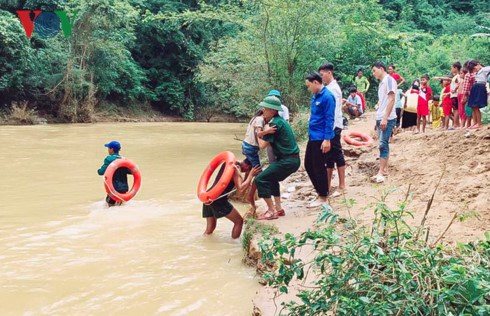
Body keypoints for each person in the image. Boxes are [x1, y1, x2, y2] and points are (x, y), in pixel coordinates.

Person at [255, 96, 300, 219]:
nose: (263, 110)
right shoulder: (279, 121)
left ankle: (271, 211)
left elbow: (262, 145)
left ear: (273, 111)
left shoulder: (274, 124)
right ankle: (279, 209)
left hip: (287, 160)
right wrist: (264, 133)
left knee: (259, 179)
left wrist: (259, 132)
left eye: (266, 108)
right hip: (291, 159)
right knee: (272, 178)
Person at [203, 159, 261, 239]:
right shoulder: (236, 169)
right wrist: (251, 175)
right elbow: (240, 191)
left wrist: (248, 174)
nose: (245, 172)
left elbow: (241, 183)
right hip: (218, 199)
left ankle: (205, 243)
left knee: (210, 229)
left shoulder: (232, 163)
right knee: (239, 222)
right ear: (247, 166)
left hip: (209, 196)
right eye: (248, 169)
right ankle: (233, 245)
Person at [304, 72, 336, 207]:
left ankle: (323, 197)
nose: (308, 88)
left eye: (309, 85)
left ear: (316, 82)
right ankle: (321, 191)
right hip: (313, 136)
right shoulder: (315, 96)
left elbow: (330, 119)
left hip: (321, 138)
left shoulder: (327, 97)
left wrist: (327, 139)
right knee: (308, 165)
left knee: (318, 167)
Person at [318, 63, 347, 198]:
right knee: (328, 157)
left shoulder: (333, 89)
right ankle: (327, 184)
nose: (321, 77)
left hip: (334, 126)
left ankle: (342, 186)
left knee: (337, 154)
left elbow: (333, 112)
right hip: (329, 126)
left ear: (329, 73)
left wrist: (329, 130)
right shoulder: (328, 88)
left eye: (322, 74)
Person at [371, 62, 397, 183]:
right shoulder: (381, 83)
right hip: (380, 116)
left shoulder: (389, 80)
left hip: (388, 117)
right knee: (381, 143)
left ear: (381, 69)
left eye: (374, 70)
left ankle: (381, 171)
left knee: (383, 143)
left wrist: (385, 118)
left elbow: (392, 99)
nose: (373, 73)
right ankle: (384, 169)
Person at [97, 141, 131, 207]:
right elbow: (131, 172)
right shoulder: (124, 160)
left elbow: (101, 172)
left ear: (111, 149)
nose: (108, 150)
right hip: (124, 189)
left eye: (108, 148)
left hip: (113, 189)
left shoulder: (109, 159)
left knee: (109, 207)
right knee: (120, 207)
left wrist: (98, 170)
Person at [265, 90, 289, 165]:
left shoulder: (284, 108)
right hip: (270, 133)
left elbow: (286, 122)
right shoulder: (266, 108)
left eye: (276, 97)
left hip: (279, 134)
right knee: (270, 153)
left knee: (279, 153)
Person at [466, 60, 490, 129]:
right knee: (473, 106)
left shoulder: (484, 69)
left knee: (476, 105)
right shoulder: (477, 72)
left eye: (474, 68)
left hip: (480, 86)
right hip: (475, 86)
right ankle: (475, 122)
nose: (474, 70)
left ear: (478, 64)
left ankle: (479, 123)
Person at [450, 62, 461, 127]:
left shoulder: (458, 76)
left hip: (455, 94)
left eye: (452, 68)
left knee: (456, 109)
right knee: (455, 109)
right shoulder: (456, 76)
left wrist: (455, 89)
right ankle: (457, 123)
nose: (451, 69)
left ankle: (455, 124)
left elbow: (459, 83)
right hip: (453, 95)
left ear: (456, 68)